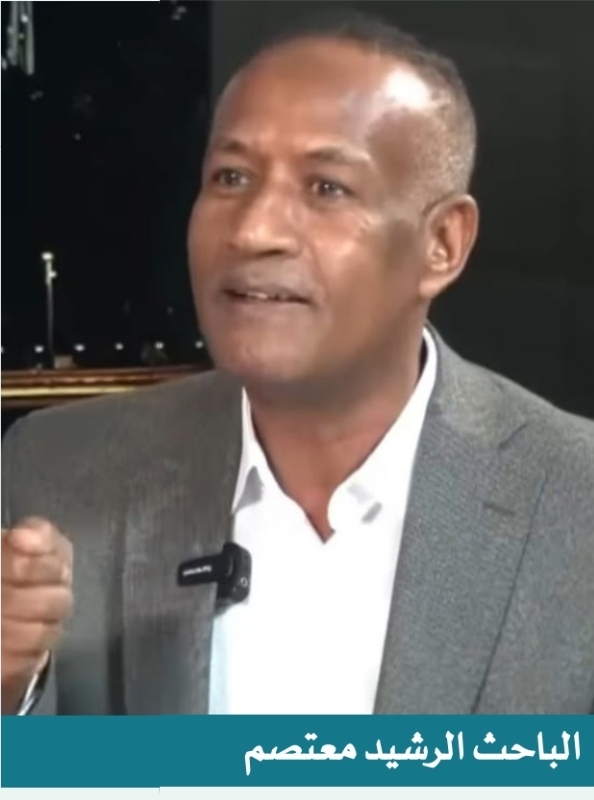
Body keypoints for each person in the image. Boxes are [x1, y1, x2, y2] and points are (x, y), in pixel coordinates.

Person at [2, 10, 593, 716]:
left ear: (442, 243)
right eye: (230, 177)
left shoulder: (573, 501)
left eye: (326, 188)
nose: (254, 230)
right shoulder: (58, 473)